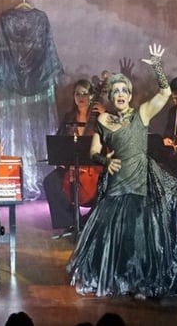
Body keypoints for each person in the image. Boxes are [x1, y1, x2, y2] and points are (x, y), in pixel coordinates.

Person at [67, 44, 177, 298]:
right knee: (112, 237)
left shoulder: (141, 114)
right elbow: (93, 152)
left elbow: (165, 93)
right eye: (116, 91)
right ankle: (117, 280)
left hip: (140, 182)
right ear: (111, 96)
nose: (120, 94)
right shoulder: (103, 120)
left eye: (124, 90)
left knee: (138, 237)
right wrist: (105, 160)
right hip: (117, 182)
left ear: (130, 95)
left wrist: (157, 66)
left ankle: (140, 283)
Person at [43, 78, 105, 237]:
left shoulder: (101, 117)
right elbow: (59, 141)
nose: (81, 97)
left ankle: (91, 222)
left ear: (92, 96)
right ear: (74, 97)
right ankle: (70, 222)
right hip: (72, 168)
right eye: (78, 94)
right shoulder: (69, 117)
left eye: (85, 93)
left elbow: (113, 138)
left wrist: (105, 116)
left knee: (110, 184)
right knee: (50, 182)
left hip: (95, 169)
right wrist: (62, 161)